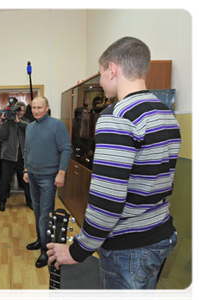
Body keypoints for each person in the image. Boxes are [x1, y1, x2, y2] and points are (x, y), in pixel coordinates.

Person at [46, 37, 181, 300]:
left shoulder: (117, 116)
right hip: (160, 234)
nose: (101, 81)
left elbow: (108, 200)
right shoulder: (165, 113)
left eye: (101, 73)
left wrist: (77, 250)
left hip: (129, 247)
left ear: (112, 69)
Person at [23, 96, 72, 268]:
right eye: (34, 108)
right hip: (33, 176)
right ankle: (40, 239)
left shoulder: (56, 125)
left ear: (47, 107)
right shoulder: (29, 127)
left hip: (48, 177)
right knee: (37, 212)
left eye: (40, 107)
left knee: (45, 214)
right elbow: (26, 150)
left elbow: (66, 149)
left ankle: (46, 250)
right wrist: (26, 169)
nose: (36, 111)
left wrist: (61, 173)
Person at [0, 101, 32, 212]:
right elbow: (2, 136)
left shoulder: (27, 122)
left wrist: (19, 122)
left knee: (26, 181)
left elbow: (30, 131)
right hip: (8, 156)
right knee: (5, 181)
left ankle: (30, 201)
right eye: (18, 109)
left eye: (22, 110)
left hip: (23, 157)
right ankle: (2, 202)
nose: (20, 112)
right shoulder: (8, 122)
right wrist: (4, 121)